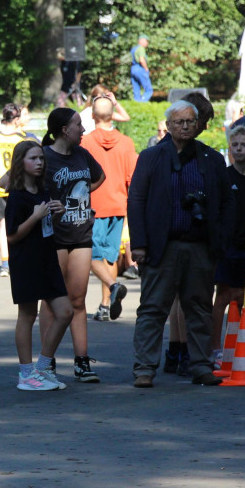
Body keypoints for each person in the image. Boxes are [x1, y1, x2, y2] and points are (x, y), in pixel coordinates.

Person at [128, 100, 233, 388]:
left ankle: (201, 365)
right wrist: (139, 244)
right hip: (162, 247)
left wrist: (218, 242)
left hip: (200, 246)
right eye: (179, 122)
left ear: (198, 124)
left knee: (199, 308)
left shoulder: (212, 159)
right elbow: (136, 200)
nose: (185, 126)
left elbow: (225, 203)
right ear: (168, 126)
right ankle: (144, 368)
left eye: (190, 121)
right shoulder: (150, 157)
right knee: (152, 309)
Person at [40, 108, 105, 382]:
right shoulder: (44, 155)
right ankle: (47, 361)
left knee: (78, 299)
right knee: (52, 300)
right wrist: (43, 205)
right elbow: (13, 182)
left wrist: (80, 193)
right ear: (65, 129)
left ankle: (81, 361)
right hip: (54, 236)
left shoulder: (82, 154)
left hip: (81, 233)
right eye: (79, 124)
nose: (84, 129)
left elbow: (99, 177)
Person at [4, 141, 71, 390]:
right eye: (33, 158)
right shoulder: (17, 196)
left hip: (47, 258)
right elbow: (12, 236)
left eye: (41, 158)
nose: (39, 163)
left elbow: (46, 227)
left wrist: (57, 213)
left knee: (65, 312)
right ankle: (26, 374)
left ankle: (42, 367)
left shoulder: (43, 190)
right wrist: (35, 216)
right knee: (28, 314)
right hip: (26, 261)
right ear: (21, 162)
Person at [210, 126, 245, 362]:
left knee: (244, 297)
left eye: (243, 145)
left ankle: (240, 343)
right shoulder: (223, 177)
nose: (238, 149)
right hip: (226, 246)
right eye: (235, 145)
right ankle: (214, 346)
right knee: (222, 296)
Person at [80, 94, 136, 322]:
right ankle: (105, 304)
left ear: (92, 116)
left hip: (93, 205)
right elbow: (133, 179)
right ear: (113, 115)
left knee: (91, 255)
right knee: (111, 257)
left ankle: (111, 291)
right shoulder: (126, 142)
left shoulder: (84, 142)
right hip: (118, 205)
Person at [0, 103, 32, 277]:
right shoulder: (21, 139)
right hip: (18, 185)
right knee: (24, 222)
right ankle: (23, 259)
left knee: (3, 224)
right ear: (15, 119)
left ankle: (4, 264)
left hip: (0, 185)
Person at [130, 35, 152, 102]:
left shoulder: (133, 49)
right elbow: (141, 60)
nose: (147, 43)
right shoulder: (141, 48)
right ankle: (143, 102)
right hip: (139, 68)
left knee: (136, 88)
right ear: (141, 40)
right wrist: (146, 68)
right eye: (146, 41)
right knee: (148, 89)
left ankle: (136, 101)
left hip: (133, 69)